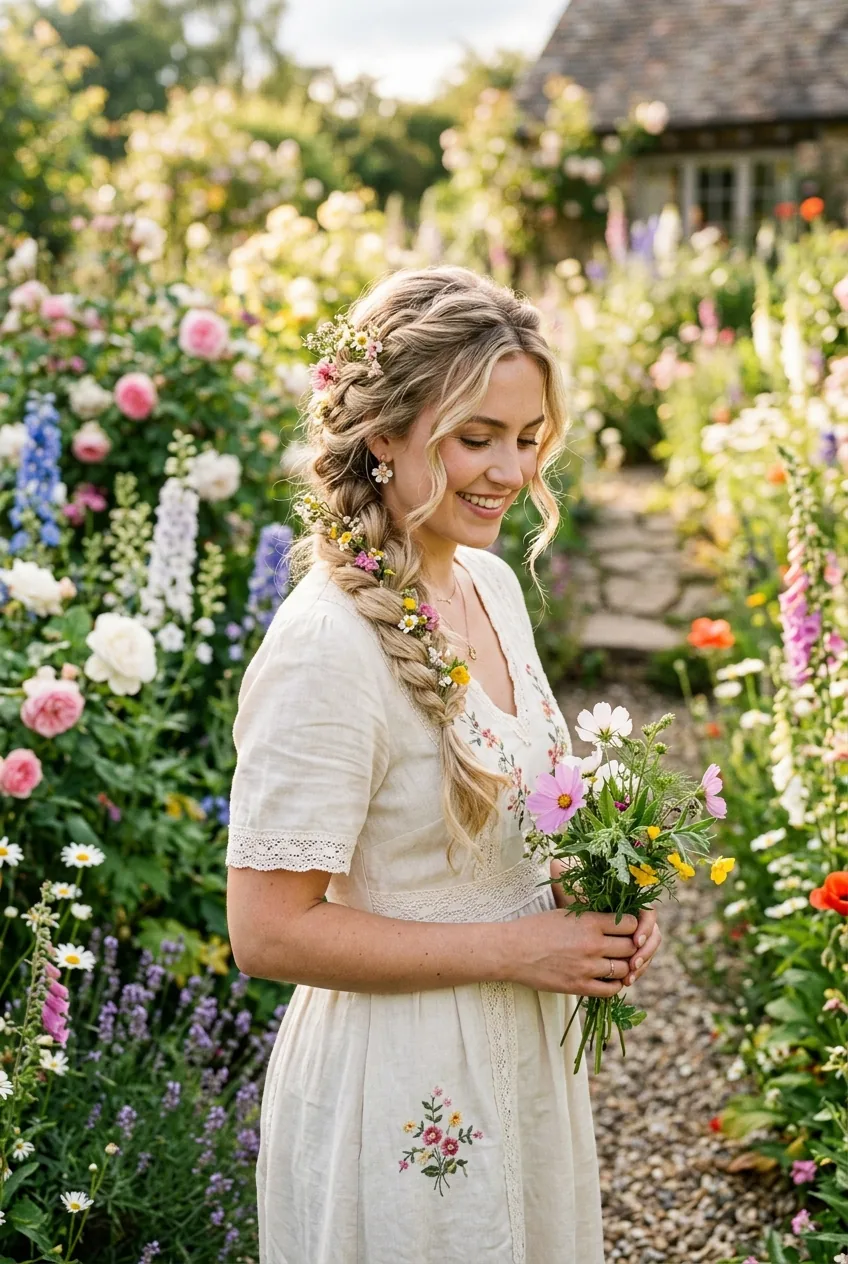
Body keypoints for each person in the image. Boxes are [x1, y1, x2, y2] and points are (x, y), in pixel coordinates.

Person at [225, 265, 662, 1264]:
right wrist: (520, 950)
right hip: (402, 1087)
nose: (508, 471)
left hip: (522, 1054)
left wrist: (598, 907)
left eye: (524, 438)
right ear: (383, 433)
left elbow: (510, 815)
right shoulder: (324, 646)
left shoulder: (493, 585)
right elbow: (266, 930)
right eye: (475, 437)